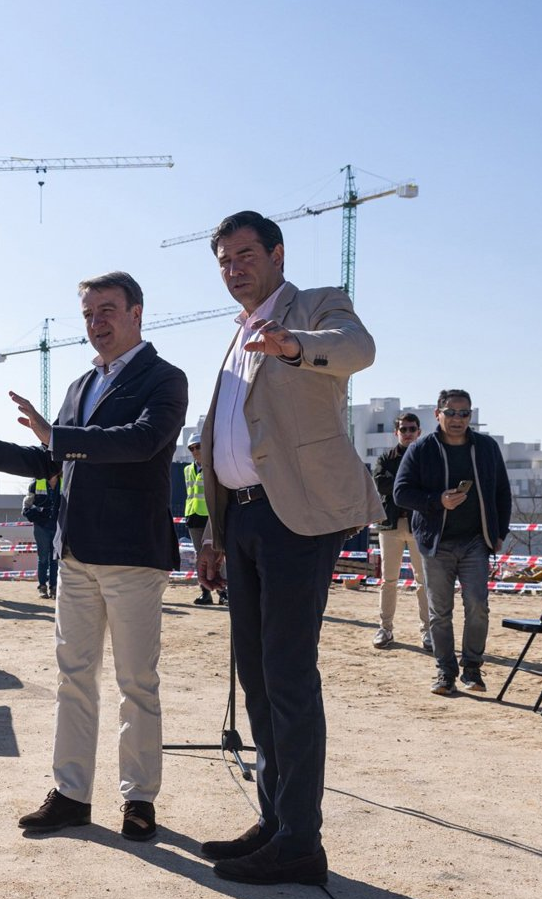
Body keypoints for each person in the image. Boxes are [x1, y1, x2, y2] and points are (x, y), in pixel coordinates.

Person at [0, 270, 186, 843]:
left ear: (137, 313)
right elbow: (57, 460)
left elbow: (140, 442)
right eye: (87, 314)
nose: (96, 323)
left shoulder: (165, 379)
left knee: (137, 684)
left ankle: (139, 799)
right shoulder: (81, 384)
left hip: (131, 557)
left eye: (107, 310)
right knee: (73, 680)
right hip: (75, 557)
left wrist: (58, 437)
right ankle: (72, 794)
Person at [193, 211, 380, 887]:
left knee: (289, 677)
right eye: (223, 259)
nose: (233, 267)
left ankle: (301, 841)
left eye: (244, 254)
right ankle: (276, 820)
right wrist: (215, 533)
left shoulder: (315, 307)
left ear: (276, 254)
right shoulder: (236, 336)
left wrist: (295, 346)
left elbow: (358, 350)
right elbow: (228, 440)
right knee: (258, 676)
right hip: (241, 522)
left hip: (296, 518)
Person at [394, 390, 512, 696]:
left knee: (477, 606)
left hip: (476, 541)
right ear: (438, 414)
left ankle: (472, 668)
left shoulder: (486, 447)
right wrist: (438, 500)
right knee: (439, 612)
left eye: (464, 413)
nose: (458, 419)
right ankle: (445, 671)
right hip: (436, 543)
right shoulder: (421, 449)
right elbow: (401, 493)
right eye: (451, 412)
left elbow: (502, 491)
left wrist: (499, 532)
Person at [371, 413, 432, 650]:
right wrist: (409, 483)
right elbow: (381, 484)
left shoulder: (427, 457)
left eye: (412, 429)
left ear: (419, 431)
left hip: (420, 526)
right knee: (388, 580)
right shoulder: (386, 458)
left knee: (423, 581)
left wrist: (403, 485)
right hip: (391, 526)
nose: (407, 433)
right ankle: (385, 629)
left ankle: (428, 632)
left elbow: (428, 486)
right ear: (396, 432)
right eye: (403, 429)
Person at [183, 435, 224, 606]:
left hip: (210, 517)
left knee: (216, 555)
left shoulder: (214, 466)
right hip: (193, 516)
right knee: (199, 556)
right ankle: (205, 593)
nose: (195, 451)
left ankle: (223, 592)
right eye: (191, 448)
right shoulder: (186, 470)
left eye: (198, 446)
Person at [23, 474, 61, 598]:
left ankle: (54, 587)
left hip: (58, 527)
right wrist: (32, 514)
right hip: (41, 527)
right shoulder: (36, 484)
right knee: (43, 558)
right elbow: (26, 506)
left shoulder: (65, 483)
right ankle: (42, 587)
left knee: (55, 559)